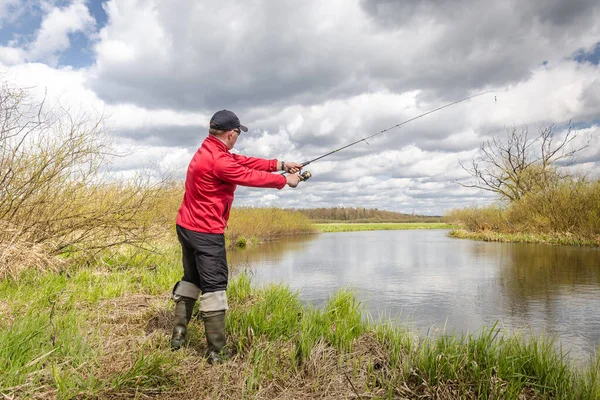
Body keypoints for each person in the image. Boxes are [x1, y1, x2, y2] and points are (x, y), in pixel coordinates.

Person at [170, 109, 303, 362]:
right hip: (205, 232)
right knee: (215, 287)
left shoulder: (209, 150)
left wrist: (281, 165)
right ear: (232, 133)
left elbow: (245, 162)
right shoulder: (219, 161)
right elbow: (248, 175)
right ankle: (217, 353)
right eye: (238, 133)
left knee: (191, 280)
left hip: (186, 226)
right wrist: (285, 181)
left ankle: (177, 338)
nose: (238, 138)